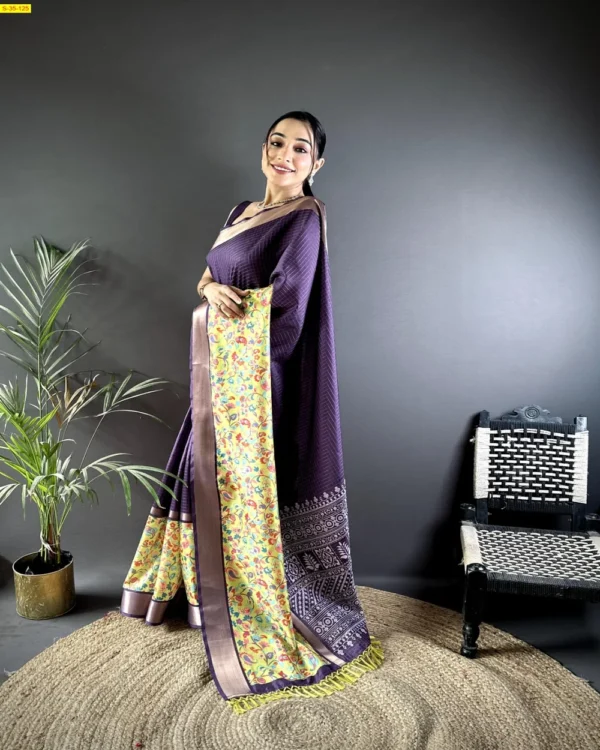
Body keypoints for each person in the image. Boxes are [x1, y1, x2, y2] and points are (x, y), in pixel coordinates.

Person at [120, 110, 384, 714]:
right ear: (263, 149)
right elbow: (209, 277)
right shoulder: (242, 211)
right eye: (276, 142)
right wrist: (210, 291)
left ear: (317, 164)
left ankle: (249, 602)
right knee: (198, 476)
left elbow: (287, 307)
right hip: (220, 372)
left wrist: (229, 323)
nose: (285, 155)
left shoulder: (305, 219)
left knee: (241, 490)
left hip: (258, 383)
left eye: (300, 148)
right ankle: (197, 595)